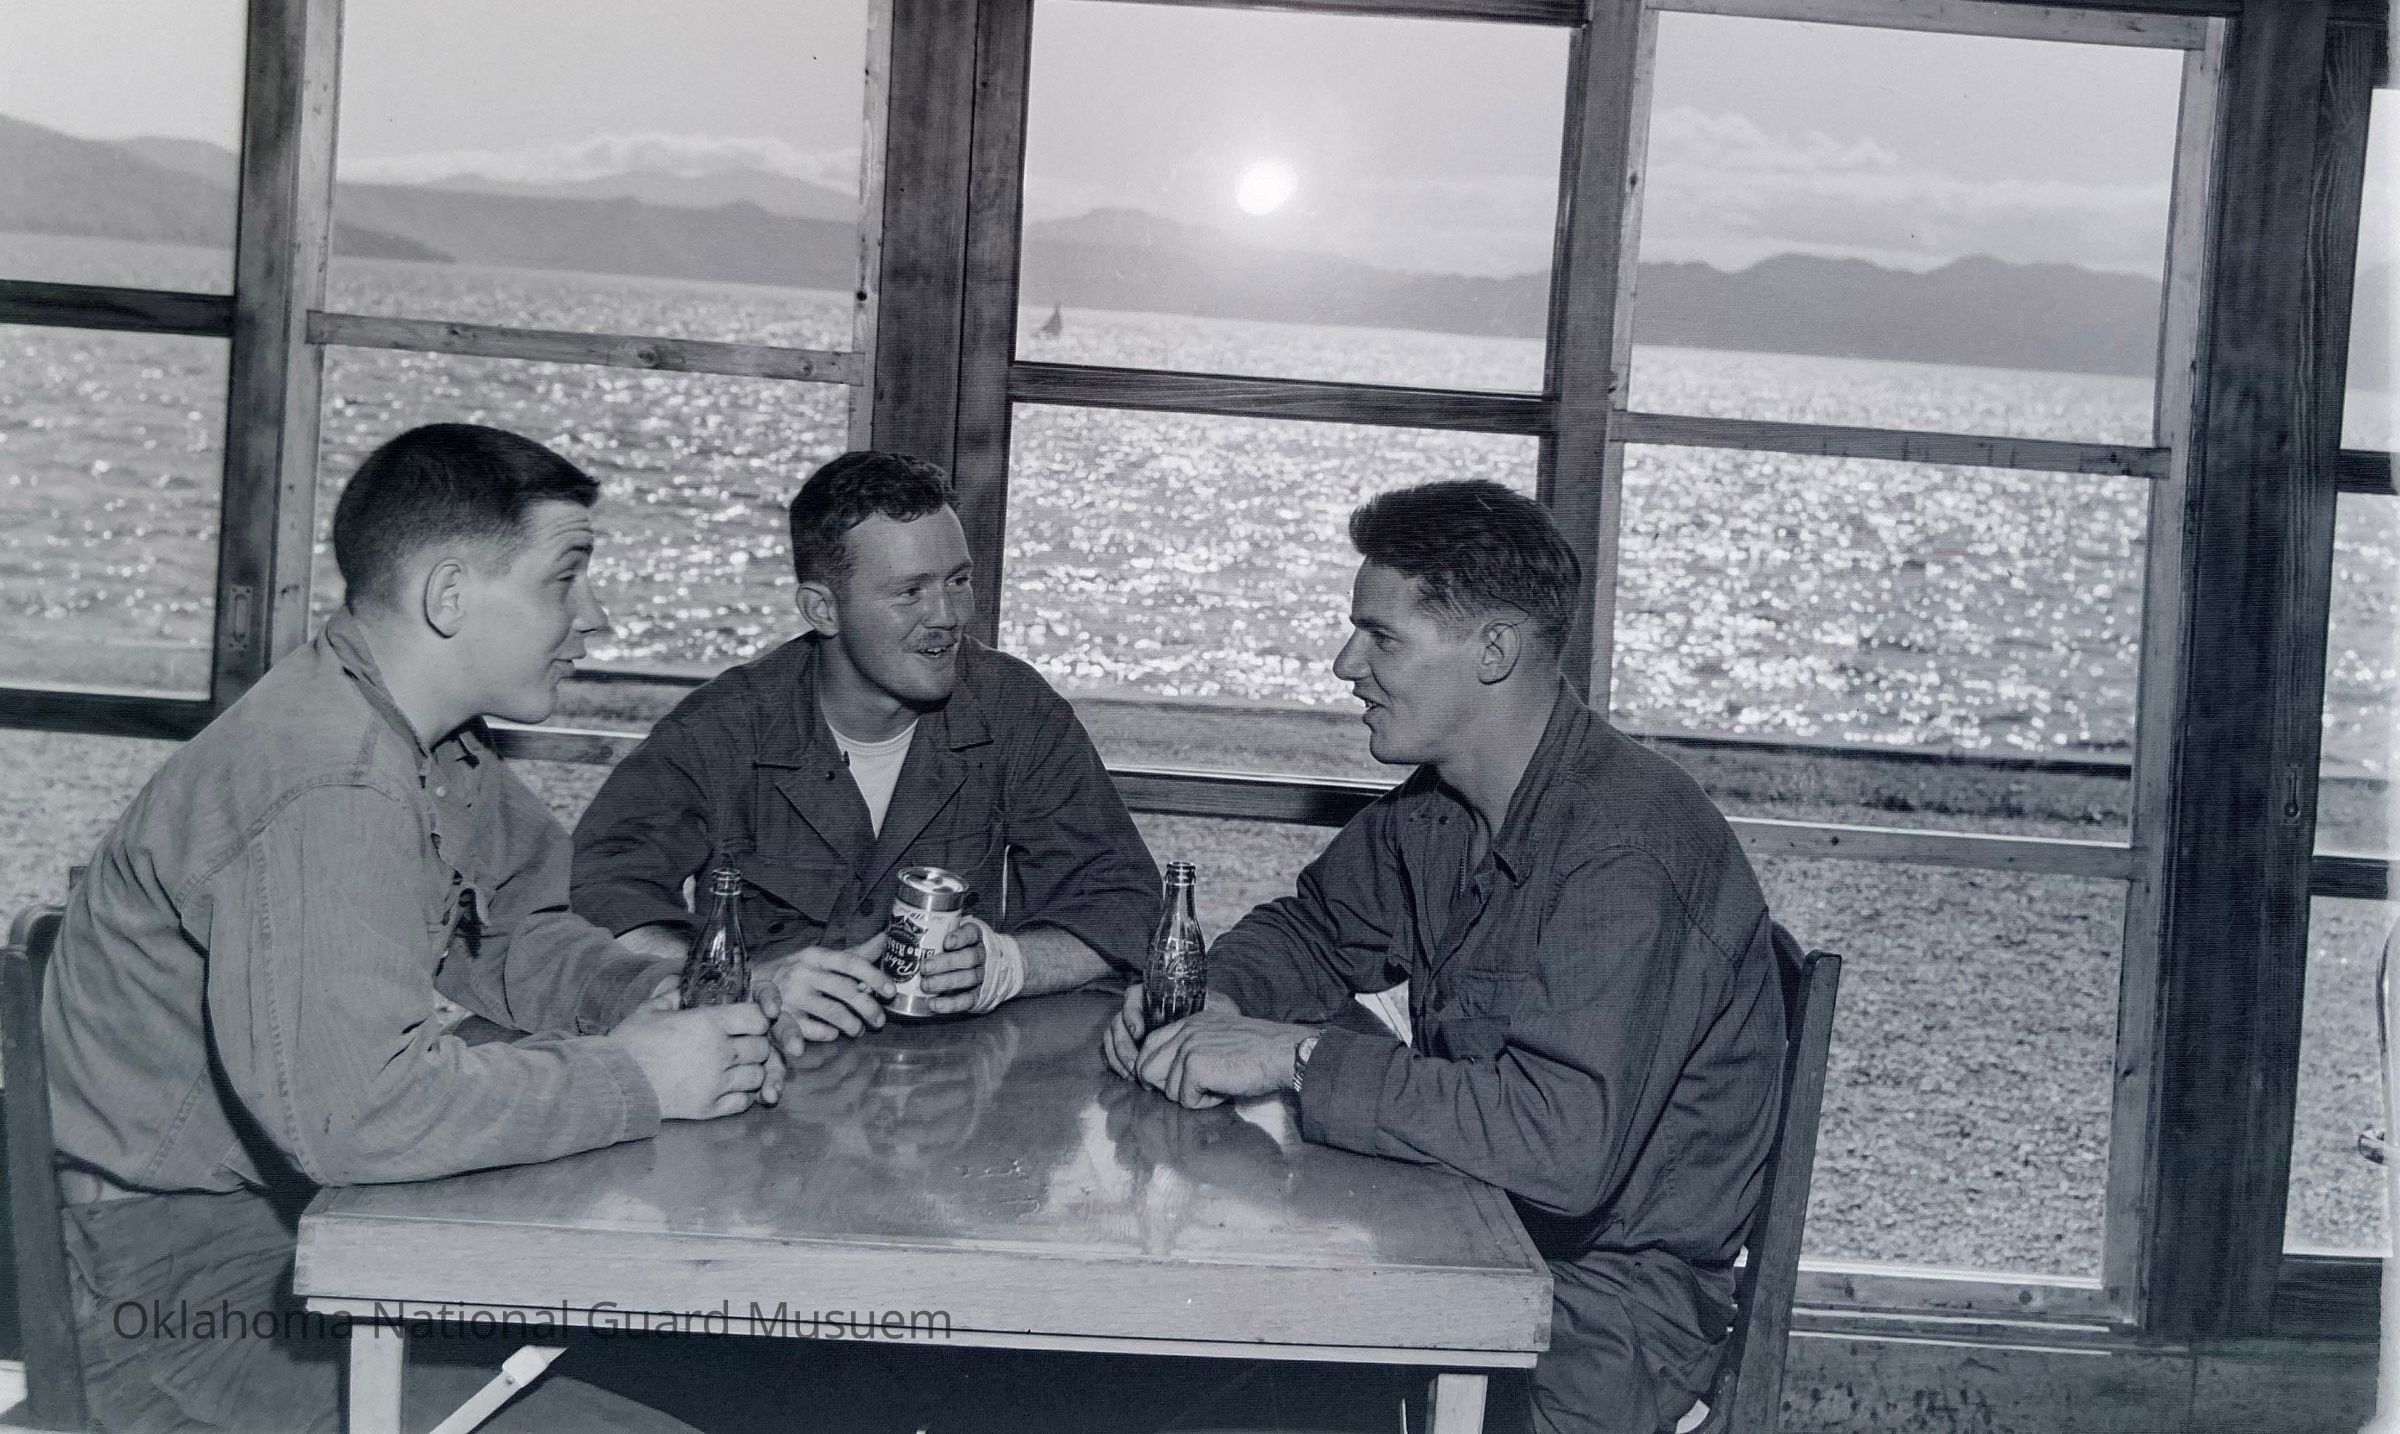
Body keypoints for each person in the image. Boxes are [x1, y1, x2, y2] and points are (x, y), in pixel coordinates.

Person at [42, 423, 780, 1434]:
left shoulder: (424, 742)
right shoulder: (332, 781)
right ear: (448, 596)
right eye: (566, 578)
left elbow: (513, 935)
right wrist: (640, 1078)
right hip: (175, 1299)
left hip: (296, 1229)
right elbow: (362, 1118)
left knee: (705, 1374)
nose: (596, 616)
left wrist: (650, 998)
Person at [1104, 479, 1786, 1434]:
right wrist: (1207, 1003)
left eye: (1381, 638)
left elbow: (1561, 1148)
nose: (1345, 664)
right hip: (1476, 1234)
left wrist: (1296, 1058)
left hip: (1601, 1323)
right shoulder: (1446, 807)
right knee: (1183, 1358)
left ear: (1494, 652)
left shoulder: (1625, 854)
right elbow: (1314, 929)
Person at [573, 450, 1159, 1052]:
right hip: (764, 1065)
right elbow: (591, 898)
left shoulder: (1015, 709)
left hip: (949, 1074)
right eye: (910, 592)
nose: (948, 616)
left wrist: (1012, 965)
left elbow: (1129, 905)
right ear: (822, 610)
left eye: (958, 581)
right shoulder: (723, 726)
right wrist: (734, 979)